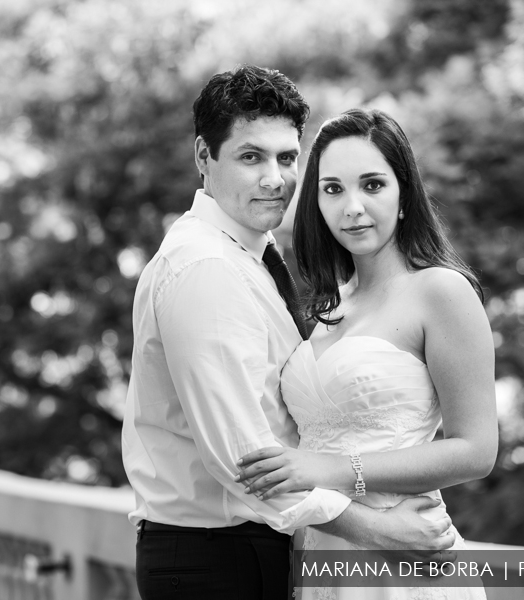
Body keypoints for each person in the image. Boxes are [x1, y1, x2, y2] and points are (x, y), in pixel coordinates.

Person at [122, 68, 457, 600]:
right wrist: (375, 529)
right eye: (250, 157)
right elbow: (243, 456)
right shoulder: (205, 266)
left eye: (286, 157)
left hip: (266, 550)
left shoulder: (253, 258)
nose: (274, 179)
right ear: (204, 157)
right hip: (217, 559)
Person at [235, 108, 498, 599]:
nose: (352, 207)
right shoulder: (327, 311)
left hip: (407, 567)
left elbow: (478, 450)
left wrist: (332, 469)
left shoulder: (440, 291)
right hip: (320, 560)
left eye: (372, 185)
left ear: (403, 196)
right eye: (333, 189)